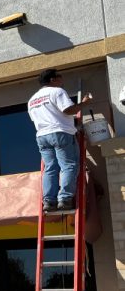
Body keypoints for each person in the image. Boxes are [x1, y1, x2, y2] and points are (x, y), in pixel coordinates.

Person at [27, 69, 93, 211]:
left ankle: (49, 202)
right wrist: (84, 103)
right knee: (68, 165)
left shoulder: (32, 100)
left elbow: (45, 117)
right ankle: (65, 198)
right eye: (59, 76)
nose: (62, 79)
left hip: (42, 136)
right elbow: (68, 110)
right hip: (60, 133)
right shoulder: (57, 91)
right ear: (52, 80)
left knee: (50, 168)